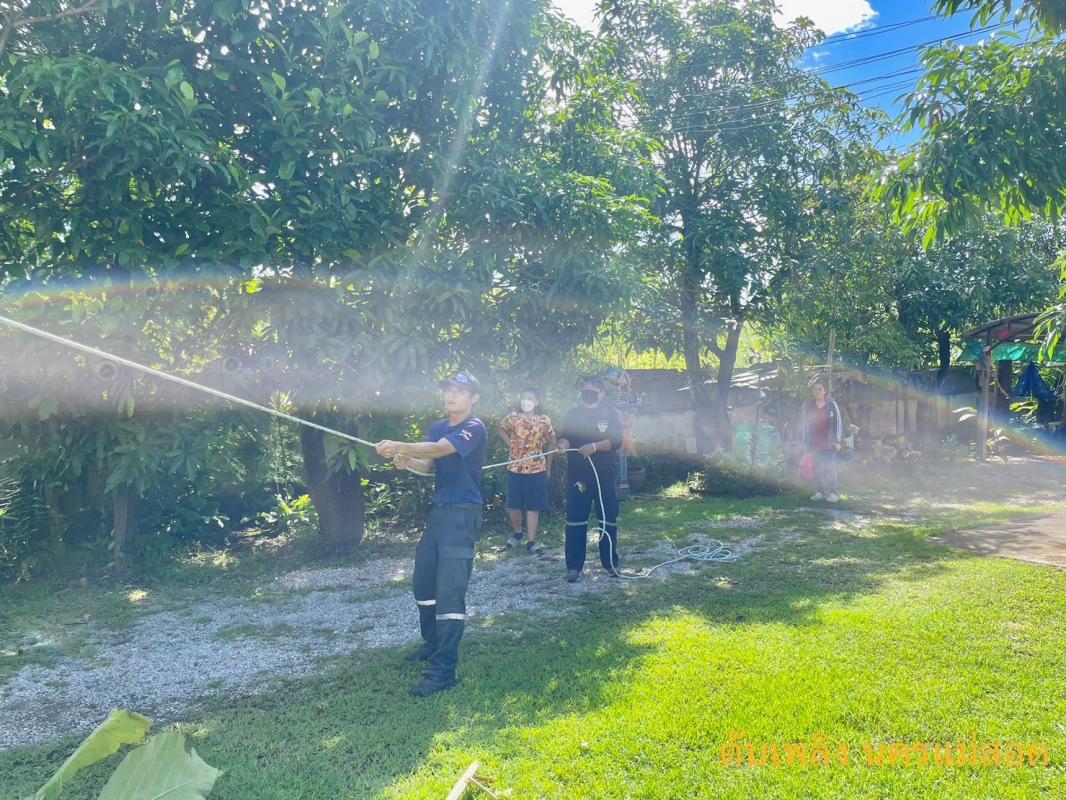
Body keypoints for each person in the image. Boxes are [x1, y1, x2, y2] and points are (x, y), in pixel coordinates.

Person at [376, 371, 486, 697]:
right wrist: (406, 460)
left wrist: (401, 444)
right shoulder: (438, 426)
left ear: (474, 398)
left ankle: (444, 670)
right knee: (424, 583)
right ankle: (433, 643)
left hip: (463, 514)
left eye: (459, 391)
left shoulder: (474, 427)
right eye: (448, 390)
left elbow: (439, 451)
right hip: (439, 513)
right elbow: (426, 465)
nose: (451, 395)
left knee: (450, 592)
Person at [556, 375, 624, 582]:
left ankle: (610, 563)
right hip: (579, 476)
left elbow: (616, 440)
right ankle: (573, 567)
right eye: (584, 387)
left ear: (602, 393)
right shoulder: (572, 414)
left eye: (593, 388)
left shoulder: (611, 413)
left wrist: (594, 447)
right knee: (575, 520)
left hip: (605, 476)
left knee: (607, 519)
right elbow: (565, 436)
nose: (588, 391)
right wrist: (562, 445)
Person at [497, 388, 556, 556]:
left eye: (530, 398)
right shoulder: (513, 417)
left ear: (537, 402)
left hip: (537, 468)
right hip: (515, 467)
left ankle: (531, 541)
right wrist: (510, 444)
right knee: (513, 504)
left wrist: (548, 466)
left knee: (533, 506)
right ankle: (517, 533)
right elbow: (500, 428)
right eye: (523, 398)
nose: (526, 401)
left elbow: (552, 442)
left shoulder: (543, 420)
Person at [801, 378, 843, 503]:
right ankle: (820, 492)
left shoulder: (831, 404)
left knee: (830, 467)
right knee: (817, 467)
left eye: (820, 389)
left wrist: (837, 440)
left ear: (825, 391)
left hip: (829, 442)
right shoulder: (810, 405)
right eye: (815, 389)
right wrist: (805, 441)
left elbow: (838, 422)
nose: (817, 391)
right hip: (814, 442)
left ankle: (834, 493)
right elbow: (805, 424)